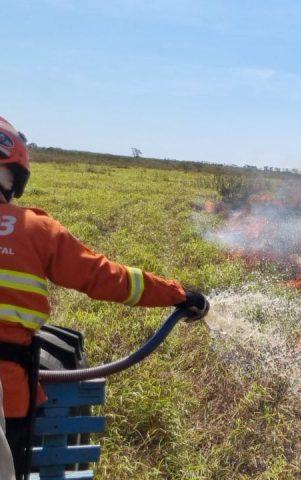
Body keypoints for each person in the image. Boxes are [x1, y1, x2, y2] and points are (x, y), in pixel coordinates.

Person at [0, 116, 209, 479]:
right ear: (16, 171)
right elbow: (106, 277)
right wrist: (177, 295)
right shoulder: (35, 230)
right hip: (7, 393)